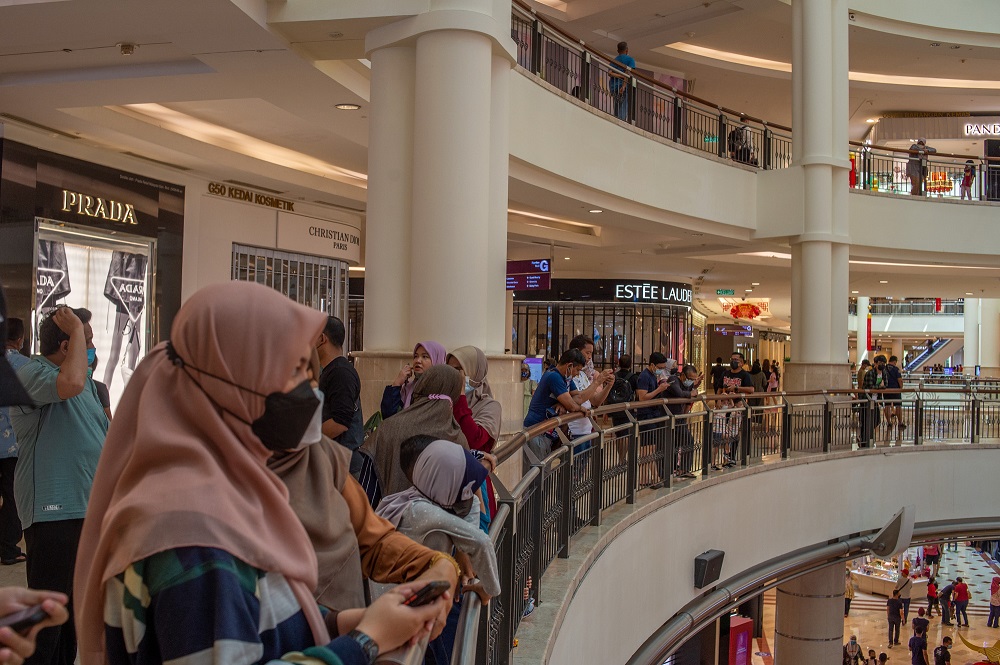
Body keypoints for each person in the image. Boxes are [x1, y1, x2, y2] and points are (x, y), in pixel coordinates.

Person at [74, 282, 449, 665]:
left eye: (309, 371)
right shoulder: (192, 536)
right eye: (292, 371)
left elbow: (263, 619)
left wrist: (350, 622)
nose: (309, 391)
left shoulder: (235, 495)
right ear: (234, 384)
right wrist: (367, 641)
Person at [10, 306, 108, 665]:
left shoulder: (89, 387)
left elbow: (103, 437)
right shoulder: (28, 371)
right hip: (53, 514)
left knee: (71, 620)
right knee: (48, 618)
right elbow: (69, 383)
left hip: (87, 510)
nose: (93, 348)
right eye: (87, 340)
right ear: (67, 345)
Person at [376, 436, 501, 665]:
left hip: (408, 610)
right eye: (461, 483)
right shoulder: (422, 513)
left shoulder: (422, 498)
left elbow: (468, 513)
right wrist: (488, 589)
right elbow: (480, 542)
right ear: (441, 479)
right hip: (396, 621)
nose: (468, 492)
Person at [368, 365, 469, 496]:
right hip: (443, 517)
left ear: (421, 387)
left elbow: (366, 494)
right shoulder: (457, 438)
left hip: (391, 515)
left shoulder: (388, 428)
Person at [447, 345, 502, 518]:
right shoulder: (445, 401)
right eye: (449, 370)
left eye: (459, 370)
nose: (454, 375)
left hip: (474, 484)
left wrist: (461, 397)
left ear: (474, 372)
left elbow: (475, 440)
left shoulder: (490, 406)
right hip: (446, 480)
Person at [315, 316, 365, 476]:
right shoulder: (331, 370)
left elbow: (340, 422)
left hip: (344, 466)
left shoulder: (340, 373)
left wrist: (307, 436)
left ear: (322, 338)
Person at [0, 317, 27, 566]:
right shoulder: (26, 366)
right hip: (13, 446)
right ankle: (8, 549)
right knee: (12, 497)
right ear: (20, 339)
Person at [564, 336, 614, 448]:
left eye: (591, 353)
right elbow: (577, 399)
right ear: (576, 351)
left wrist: (608, 386)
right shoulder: (567, 375)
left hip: (586, 431)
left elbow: (595, 401)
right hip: (572, 431)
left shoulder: (582, 374)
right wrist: (597, 381)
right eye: (587, 353)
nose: (589, 357)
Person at [381, 341, 447, 418]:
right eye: (415, 356)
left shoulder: (444, 388)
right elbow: (388, 416)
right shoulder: (408, 388)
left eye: (425, 357)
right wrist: (397, 383)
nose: (417, 361)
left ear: (437, 360)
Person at [666, 364, 703, 479]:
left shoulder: (686, 384)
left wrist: (695, 387)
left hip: (679, 418)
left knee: (683, 441)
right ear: (682, 375)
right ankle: (675, 469)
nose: (691, 382)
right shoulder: (673, 380)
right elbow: (679, 394)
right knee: (681, 441)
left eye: (693, 379)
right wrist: (690, 393)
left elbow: (689, 394)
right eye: (690, 379)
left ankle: (682, 468)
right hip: (669, 418)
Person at [609, 41, 636, 121]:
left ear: (618, 51)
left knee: (616, 107)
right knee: (623, 107)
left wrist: (619, 74)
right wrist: (623, 85)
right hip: (624, 87)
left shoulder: (614, 60)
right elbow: (628, 74)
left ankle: (616, 121)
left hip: (613, 86)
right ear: (627, 50)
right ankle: (621, 123)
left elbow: (610, 73)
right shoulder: (630, 60)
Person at [884, 355, 905, 439]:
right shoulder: (896, 370)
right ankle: (900, 422)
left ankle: (889, 422)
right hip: (896, 390)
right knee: (898, 406)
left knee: (887, 406)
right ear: (895, 361)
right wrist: (901, 388)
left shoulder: (884, 369)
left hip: (886, 390)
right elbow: (900, 380)